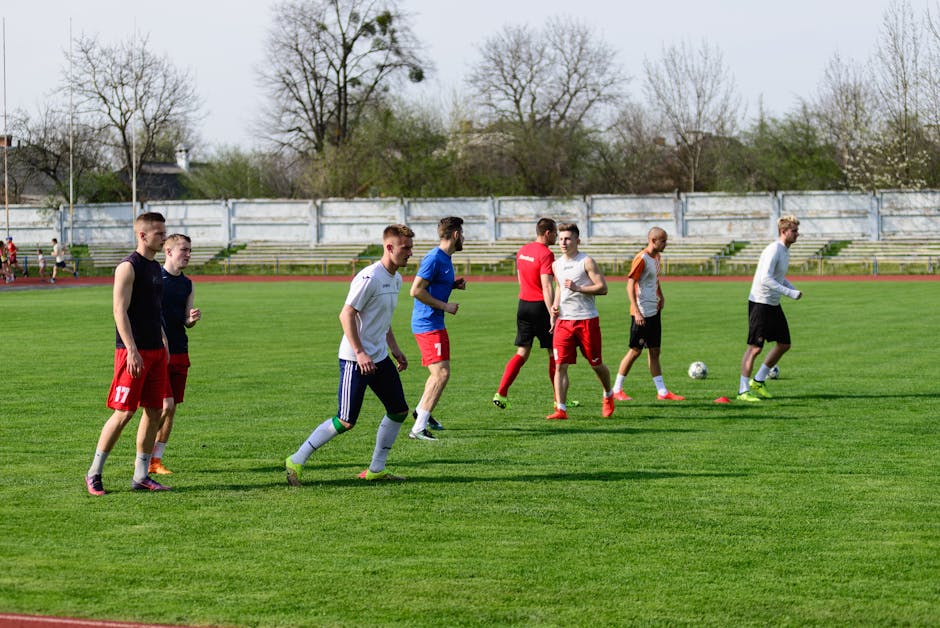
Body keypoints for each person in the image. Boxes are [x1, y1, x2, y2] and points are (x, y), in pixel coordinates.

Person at [285, 224, 415, 485]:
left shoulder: (397, 278)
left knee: (399, 410)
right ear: (389, 247)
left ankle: (376, 469)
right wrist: (360, 352)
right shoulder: (370, 278)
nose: (410, 253)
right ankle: (296, 459)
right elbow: (346, 313)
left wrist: (395, 348)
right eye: (406, 248)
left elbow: (382, 319)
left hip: (378, 357)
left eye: (411, 247)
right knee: (345, 420)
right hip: (356, 360)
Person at [84, 212, 171, 495]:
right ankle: (94, 472)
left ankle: (141, 475)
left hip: (156, 352)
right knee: (124, 412)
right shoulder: (127, 267)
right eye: (158, 233)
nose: (163, 237)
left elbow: (154, 311)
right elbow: (119, 311)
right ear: (142, 235)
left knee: (154, 411)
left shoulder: (156, 268)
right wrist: (132, 350)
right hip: (132, 352)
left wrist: (163, 340)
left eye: (164, 232)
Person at [547, 223, 616, 420]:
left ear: (577, 241)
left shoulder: (586, 261)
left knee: (596, 364)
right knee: (560, 365)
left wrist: (579, 288)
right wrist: (554, 307)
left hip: (586, 320)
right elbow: (560, 287)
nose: (563, 242)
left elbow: (603, 288)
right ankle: (561, 409)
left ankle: (608, 394)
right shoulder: (556, 264)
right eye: (560, 239)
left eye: (568, 239)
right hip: (564, 322)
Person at [408, 216, 466, 441]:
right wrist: (446, 306)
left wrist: (451, 285)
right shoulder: (434, 258)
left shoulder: (445, 258)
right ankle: (418, 427)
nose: (464, 238)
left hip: (435, 322)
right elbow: (416, 290)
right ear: (455, 235)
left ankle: (422, 412)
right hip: (427, 324)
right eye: (462, 233)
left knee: (438, 373)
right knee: (441, 374)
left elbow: (432, 285)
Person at [612, 227, 685, 402]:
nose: (666, 244)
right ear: (653, 240)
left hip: (654, 311)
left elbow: (655, 279)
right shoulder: (641, 259)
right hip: (642, 313)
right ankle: (616, 389)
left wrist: (661, 295)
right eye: (663, 241)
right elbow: (630, 285)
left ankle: (662, 391)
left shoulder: (657, 257)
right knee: (635, 351)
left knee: (655, 351)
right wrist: (636, 311)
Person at [150, 234, 202, 475]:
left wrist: (189, 320)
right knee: (165, 405)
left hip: (181, 350)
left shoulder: (188, 284)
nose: (188, 255)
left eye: (190, 250)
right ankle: (144, 457)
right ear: (168, 252)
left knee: (172, 408)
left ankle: (155, 461)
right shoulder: (155, 280)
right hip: (159, 351)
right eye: (184, 250)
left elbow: (183, 319)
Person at [492, 217, 558, 410]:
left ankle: (501, 393)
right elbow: (547, 286)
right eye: (555, 233)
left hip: (523, 305)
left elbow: (520, 279)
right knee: (554, 353)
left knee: (522, 352)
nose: (556, 236)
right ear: (547, 233)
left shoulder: (523, 250)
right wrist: (552, 311)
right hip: (540, 307)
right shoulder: (546, 254)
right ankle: (559, 400)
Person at [737, 215, 803, 402]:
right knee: (754, 349)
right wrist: (789, 294)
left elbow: (778, 277)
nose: (798, 234)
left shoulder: (785, 250)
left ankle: (758, 380)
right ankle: (742, 390)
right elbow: (765, 279)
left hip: (773, 303)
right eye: (794, 231)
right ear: (784, 232)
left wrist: (792, 288)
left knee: (784, 344)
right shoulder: (774, 249)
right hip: (760, 303)